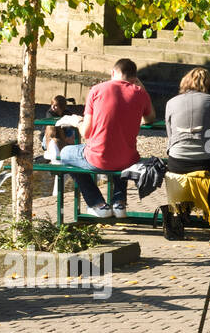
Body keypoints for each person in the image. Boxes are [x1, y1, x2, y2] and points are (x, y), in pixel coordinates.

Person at [57, 58, 156, 219]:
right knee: (121, 150)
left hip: (98, 159)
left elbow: (86, 133)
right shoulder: (140, 93)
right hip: (128, 160)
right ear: (135, 77)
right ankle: (119, 203)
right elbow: (150, 118)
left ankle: (97, 203)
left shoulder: (96, 90)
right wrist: (140, 87)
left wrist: (77, 121)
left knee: (66, 154)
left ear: (113, 72)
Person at [161, 67, 210, 238]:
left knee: (179, 167)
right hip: (206, 162)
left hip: (177, 162)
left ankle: (179, 216)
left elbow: (171, 138)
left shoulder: (171, 102)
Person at [41, 94, 76, 162]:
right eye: (52, 104)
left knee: (72, 129)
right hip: (50, 136)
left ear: (61, 106)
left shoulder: (67, 113)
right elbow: (54, 128)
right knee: (54, 127)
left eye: (56, 105)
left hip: (63, 134)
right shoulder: (50, 113)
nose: (53, 107)